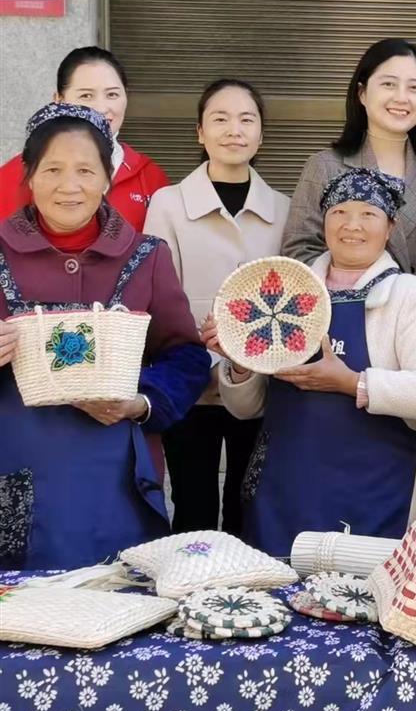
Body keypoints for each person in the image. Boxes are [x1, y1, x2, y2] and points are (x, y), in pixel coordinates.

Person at [206, 168, 416, 557]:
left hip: (375, 492)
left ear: (390, 227)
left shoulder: (412, 295)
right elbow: (247, 409)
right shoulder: (284, 292)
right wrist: (239, 362)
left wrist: (351, 382)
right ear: (323, 222)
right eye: (339, 212)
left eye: (368, 214)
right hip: (284, 490)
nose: (351, 225)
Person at [0, 103, 209, 570]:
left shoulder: (146, 257)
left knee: (115, 598)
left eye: (85, 170)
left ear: (107, 178)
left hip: (115, 481)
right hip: (14, 474)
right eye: (52, 169)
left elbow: (186, 356)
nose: (69, 185)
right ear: (29, 176)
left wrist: (140, 401)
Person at [143, 79, 290, 535]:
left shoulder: (283, 209)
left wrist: (248, 358)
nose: (234, 130)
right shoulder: (168, 204)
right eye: (220, 119)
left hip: (258, 383)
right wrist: (201, 349)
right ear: (200, 132)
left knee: (250, 505)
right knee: (193, 508)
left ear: (261, 134)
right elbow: (158, 296)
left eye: (247, 119)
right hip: (188, 383)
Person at [282, 39, 416, 276]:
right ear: (362, 93)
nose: (401, 97)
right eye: (389, 84)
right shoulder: (324, 166)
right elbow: (299, 252)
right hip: (339, 299)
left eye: (414, 88)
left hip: (415, 299)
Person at [0, 47, 170, 230]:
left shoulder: (150, 177)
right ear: (59, 100)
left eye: (112, 94)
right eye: (86, 95)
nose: (101, 108)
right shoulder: (15, 174)